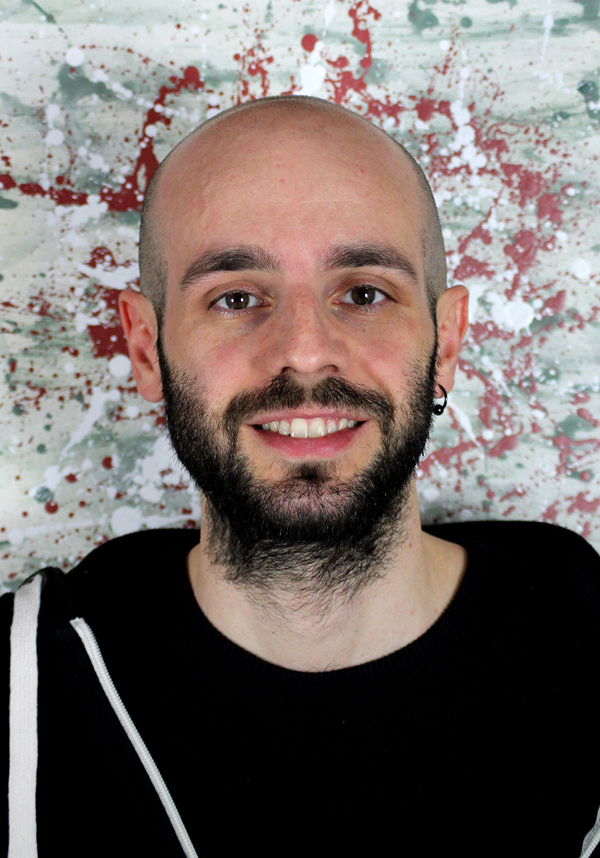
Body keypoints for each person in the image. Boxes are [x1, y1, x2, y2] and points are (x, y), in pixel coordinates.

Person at [2, 95, 600, 857]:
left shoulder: (586, 643)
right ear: (147, 348)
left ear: (446, 342)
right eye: (236, 298)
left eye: (364, 293)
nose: (307, 351)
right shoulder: (23, 691)